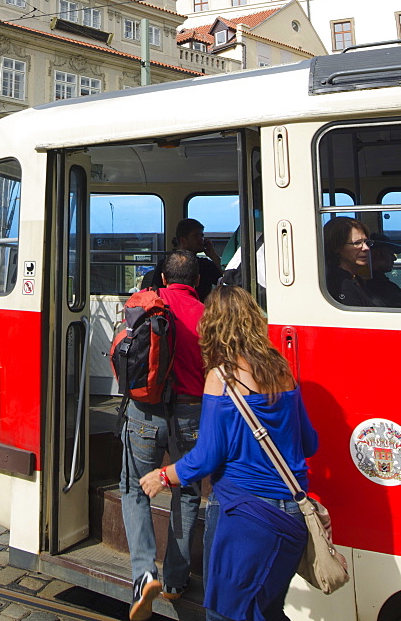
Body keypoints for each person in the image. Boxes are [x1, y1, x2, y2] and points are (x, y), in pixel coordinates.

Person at [140, 284, 318, 621]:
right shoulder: (282, 369)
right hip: (293, 516)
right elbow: (310, 442)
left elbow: (207, 456)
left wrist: (164, 475)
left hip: (245, 516)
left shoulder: (221, 378)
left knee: (224, 613)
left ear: (213, 326)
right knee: (266, 610)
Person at [120, 249, 204, 620]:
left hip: (144, 412)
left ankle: (143, 574)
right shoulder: (209, 314)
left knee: (134, 487)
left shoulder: (146, 304)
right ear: (197, 282)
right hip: (191, 414)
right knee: (186, 492)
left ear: (164, 278)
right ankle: (174, 580)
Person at [143, 218, 221, 301]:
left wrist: (212, 255)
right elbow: (155, 293)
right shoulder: (164, 265)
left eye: (202, 236)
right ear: (183, 240)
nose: (201, 240)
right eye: (195, 236)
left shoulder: (206, 265)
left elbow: (224, 279)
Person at [323, 216, 374, 305]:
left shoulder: (355, 279)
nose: (366, 248)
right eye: (357, 243)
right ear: (337, 247)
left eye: (366, 242)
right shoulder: (339, 284)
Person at [365, 233, 401, 306]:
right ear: (377, 254)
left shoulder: (383, 283)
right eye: (390, 253)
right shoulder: (374, 287)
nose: (394, 258)